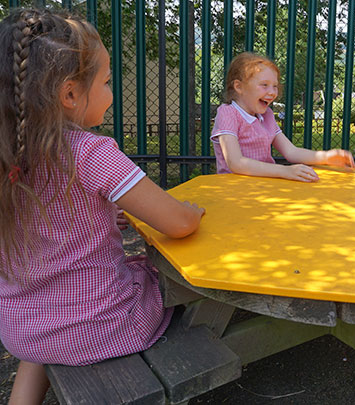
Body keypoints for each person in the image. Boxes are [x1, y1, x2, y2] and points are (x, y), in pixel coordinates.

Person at [0, 8, 205, 404]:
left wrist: (97, 217)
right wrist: (191, 211)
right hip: (102, 327)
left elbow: (48, 221)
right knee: (162, 277)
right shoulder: (91, 153)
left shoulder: (9, 157)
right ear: (71, 93)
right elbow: (177, 223)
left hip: (23, 329)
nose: (111, 94)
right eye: (107, 82)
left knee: (44, 342)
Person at [212, 52, 355, 182]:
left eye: (275, 86)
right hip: (233, 189)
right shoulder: (228, 113)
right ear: (239, 87)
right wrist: (285, 171)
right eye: (264, 85)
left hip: (264, 186)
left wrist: (325, 157)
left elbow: (291, 151)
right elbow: (236, 163)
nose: (272, 92)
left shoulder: (266, 116)